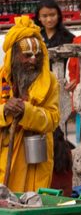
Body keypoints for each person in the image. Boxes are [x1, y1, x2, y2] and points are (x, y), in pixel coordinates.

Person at [0, 14, 59, 194]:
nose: (33, 60)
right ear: (14, 56)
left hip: (35, 160)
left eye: (36, 55)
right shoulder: (2, 78)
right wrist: (5, 110)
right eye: (26, 55)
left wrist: (27, 112)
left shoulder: (49, 82)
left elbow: (53, 119)